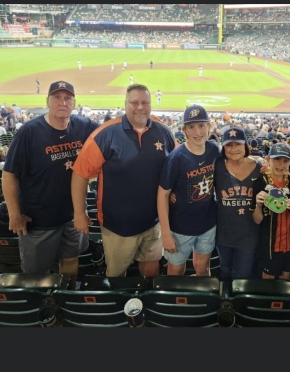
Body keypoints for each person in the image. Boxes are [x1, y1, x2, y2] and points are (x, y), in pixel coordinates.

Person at [2, 80, 100, 289]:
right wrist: (14, 214)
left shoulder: (84, 126)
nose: (62, 102)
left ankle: (66, 295)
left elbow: (110, 137)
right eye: (57, 98)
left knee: (71, 259)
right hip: (38, 220)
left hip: (73, 216)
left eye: (67, 98)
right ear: (47, 101)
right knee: (36, 272)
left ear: (74, 103)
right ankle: (41, 308)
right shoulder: (28, 132)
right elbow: (9, 174)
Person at [71, 83, 176, 278]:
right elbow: (80, 173)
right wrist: (79, 213)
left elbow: (175, 167)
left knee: (151, 268)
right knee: (117, 275)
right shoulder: (105, 134)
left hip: (153, 223)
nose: (140, 107)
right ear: (125, 104)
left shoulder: (164, 132)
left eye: (145, 102)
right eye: (134, 102)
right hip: (117, 225)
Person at [157, 104, 220, 276]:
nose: (197, 132)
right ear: (184, 130)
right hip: (180, 227)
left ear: (209, 126)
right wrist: (165, 233)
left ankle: (201, 301)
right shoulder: (176, 158)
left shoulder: (214, 149)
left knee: (202, 268)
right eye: (191, 127)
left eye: (201, 125)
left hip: (207, 223)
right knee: (176, 270)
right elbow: (163, 195)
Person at [215, 128, 263, 281]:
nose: (233, 149)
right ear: (223, 147)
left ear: (245, 145)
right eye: (229, 145)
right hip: (223, 232)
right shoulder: (217, 166)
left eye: (238, 144)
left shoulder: (260, 168)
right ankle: (226, 304)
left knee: (243, 275)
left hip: (249, 234)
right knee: (225, 271)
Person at [252, 143, 290, 280]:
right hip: (269, 244)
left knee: (286, 276)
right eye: (276, 159)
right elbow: (257, 220)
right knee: (268, 279)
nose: (281, 164)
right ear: (268, 160)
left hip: (289, 241)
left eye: (285, 161)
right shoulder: (260, 182)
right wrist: (259, 205)